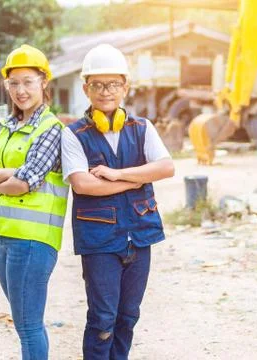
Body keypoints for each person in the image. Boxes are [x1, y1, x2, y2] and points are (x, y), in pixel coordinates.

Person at [61, 43, 174, 359]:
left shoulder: (142, 128)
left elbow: (166, 167)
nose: (105, 91)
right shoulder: (73, 134)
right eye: (97, 84)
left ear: (125, 86)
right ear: (86, 88)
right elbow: (83, 185)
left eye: (113, 84)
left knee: (128, 316)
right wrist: (137, 179)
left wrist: (114, 174)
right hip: (100, 240)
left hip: (139, 235)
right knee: (102, 319)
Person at [0, 44, 68, 360]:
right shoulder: (8, 128)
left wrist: (4, 178)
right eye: (14, 83)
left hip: (33, 241)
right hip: (4, 236)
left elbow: (23, 184)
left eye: (28, 81)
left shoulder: (50, 128)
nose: (20, 90)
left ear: (44, 82)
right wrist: (13, 173)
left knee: (28, 327)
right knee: (24, 324)